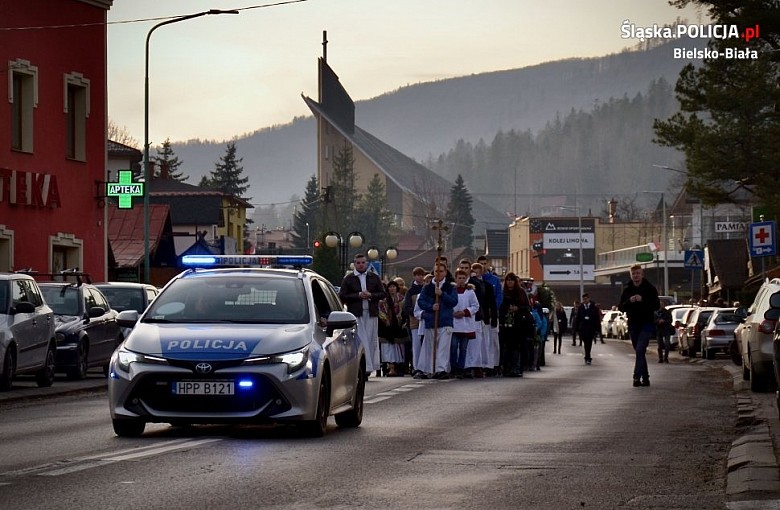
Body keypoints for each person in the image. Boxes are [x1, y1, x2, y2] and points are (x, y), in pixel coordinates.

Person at [339, 253, 386, 379]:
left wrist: (370, 295)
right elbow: (343, 296)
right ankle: (363, 367)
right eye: (358, 263)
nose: (361, 265)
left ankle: (369, 367)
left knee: (371, 340)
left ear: (366, 263)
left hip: (371, 313)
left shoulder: (373, 277)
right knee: (361, 340)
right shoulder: (349, 279)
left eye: (363, 262)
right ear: (355, 264)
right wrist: (358, 295)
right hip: (356, 313)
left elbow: (382, 294)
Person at [618, 264, 661, 387]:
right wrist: (629, 301)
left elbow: (656, 305)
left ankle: (636, 377)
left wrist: (643, 300)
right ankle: (646, 378)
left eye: (638, 273)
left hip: (646, 323)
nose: (636, 276)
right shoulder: (627, 290)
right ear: (631, 275)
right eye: (633, 274)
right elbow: (621, 307)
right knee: (639, 352)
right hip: (633, 324)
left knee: (641, 349)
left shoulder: (650, 288)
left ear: (642, 274)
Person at [416, 261, 458, 379]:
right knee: (429, 347)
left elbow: (454, 301)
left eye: (441, 271)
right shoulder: (427, 287)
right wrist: (431, 307)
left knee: (443, 347)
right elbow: (421, 301)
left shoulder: (450, 287)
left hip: (445, 321)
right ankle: (426, 369)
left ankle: (441, 369)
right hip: (431, 321)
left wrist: (442, 294)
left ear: (445, 272)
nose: (438, 274)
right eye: (436, 271)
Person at [498, 273, 533, 377]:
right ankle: (506, 368)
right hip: (506, 325)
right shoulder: (503, 292)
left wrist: (518, 308)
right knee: (506, 347)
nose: (509, 282)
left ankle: (517, 368)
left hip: (519, 325)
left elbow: (527, 308)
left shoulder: (521, 292)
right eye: (508, 280)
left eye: (512, 280)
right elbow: (500, 307)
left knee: (517, 347)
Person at [450, 269, 479, 378]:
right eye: (459, 278)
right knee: (453, 347)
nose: (461, 280)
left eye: (463, 278)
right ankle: (453, 367)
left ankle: (461, 368)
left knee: (463, 348)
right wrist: (453, 313)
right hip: (454, 324)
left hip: (466, 325)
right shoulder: (451, 291)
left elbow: (475, 306)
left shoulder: (470, 292)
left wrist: (465, 312)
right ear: (456, 279)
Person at [402, 267, 427, 377]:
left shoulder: (426, 288)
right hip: (415, 322)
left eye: (422, 275)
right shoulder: (410, 291)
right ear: (414, 276)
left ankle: (425, 366)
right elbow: (407, 307)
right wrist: (417, 314)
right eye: (417, 275)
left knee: (425, 345)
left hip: (426, 321)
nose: (420, 277)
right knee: (416, 345)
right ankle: (416, 367)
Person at [378, 281, 406, 376]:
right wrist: (386, 320)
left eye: (394, 287)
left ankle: (398, 366)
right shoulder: (383, 301)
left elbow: (404, 312)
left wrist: (402, 321)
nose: (392, 289)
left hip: (398, 327)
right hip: (387, 328)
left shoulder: (401, 299)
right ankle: (390, 367)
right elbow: (381, 312)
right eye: (390, 287)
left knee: (398, 347)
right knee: (388, 347)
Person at [574, 293, 600, 365]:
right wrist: (576, 329)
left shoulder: (593, 307)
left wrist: (597, 329)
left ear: (588, 299)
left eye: (586, 299)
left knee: (589, 343)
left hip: (591, 328)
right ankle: (587, 356)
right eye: (583, 299)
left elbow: (597, 318)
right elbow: (578, 318)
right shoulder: (581, 307)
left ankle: (588, 356)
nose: (585, 300)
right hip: (583, 328)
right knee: (586, 343)